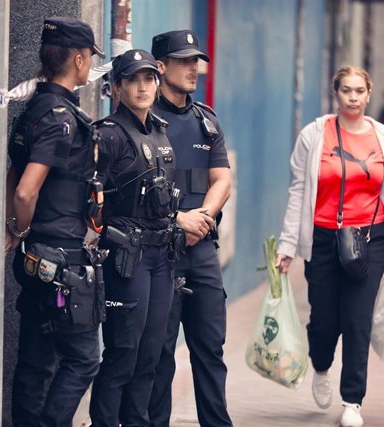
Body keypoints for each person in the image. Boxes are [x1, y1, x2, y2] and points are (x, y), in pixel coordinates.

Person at [275, 66, 384, 427]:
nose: (353, 98)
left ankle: (352, 401)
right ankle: (321, 365)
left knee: (357, 322)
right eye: (346, 91)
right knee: (324, 322)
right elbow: (298, 191)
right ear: (335, 93)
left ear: (368, 94)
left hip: (371, 238)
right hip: (324, 238)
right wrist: (288, 243)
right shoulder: (314, 135)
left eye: (359, 91)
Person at [5, 16, 106, 427]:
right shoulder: (60, 118)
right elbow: (26, 189)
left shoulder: (32, 109)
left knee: (36, 358)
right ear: (79, 60)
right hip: (59, 258)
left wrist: (17, 231)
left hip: (37, 256)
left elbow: (13, 170)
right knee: (84, 358)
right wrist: (21, 226)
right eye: (89, 59)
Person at [88, 49, 180, 427]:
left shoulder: (160, 130)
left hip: (162, 257)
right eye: (132, 80)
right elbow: (89, 203)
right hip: (127, 257)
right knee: (123, 350)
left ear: (157, 84)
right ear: (117, 87)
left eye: (148, 79)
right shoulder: (107, 135)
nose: (141, 87)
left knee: (151, 353)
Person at [147, 30, 233, 427]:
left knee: (210, 350)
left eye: (195, 60)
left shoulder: (206, 121)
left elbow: (222, 180)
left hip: (200, 251)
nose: (193, 68)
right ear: (160, 66)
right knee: (159, 354)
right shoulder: (144, 122)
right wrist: (176, 220)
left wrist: (204, 217)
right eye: (183, 61)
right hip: (159, 252)